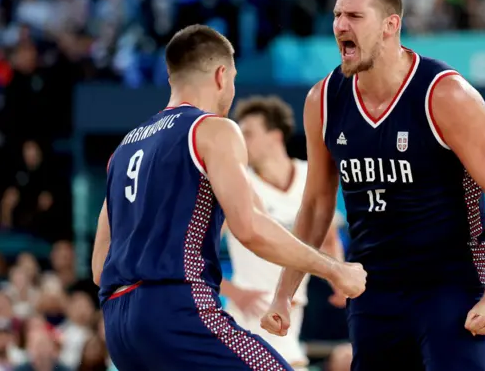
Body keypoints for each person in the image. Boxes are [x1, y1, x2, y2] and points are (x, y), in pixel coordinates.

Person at [261, 0, 485, 371]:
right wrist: (284, 293)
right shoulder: (323, 100)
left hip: (448, 283)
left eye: (354, 15)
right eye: (336, 15)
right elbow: (316, 205)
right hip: (372, 287)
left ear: (390, 25)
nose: (340, 26)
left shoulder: (445, 94)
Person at [91, 25, 367, 371]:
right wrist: (335, 270)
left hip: (119, 326)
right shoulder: (212, 129)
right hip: (177, 311)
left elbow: (100, 266)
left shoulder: (124, 148)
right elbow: (249, 227)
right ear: (222, 75)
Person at [221, 95, 346, 370]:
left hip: (290, 313)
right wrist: (234, 292)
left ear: (275, 136)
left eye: (249, 133)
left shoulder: (309, 176)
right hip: (247, 316)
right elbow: (191, 254)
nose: (242, 141)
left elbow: (328, 239)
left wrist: (337, 276)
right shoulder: (238, 185)